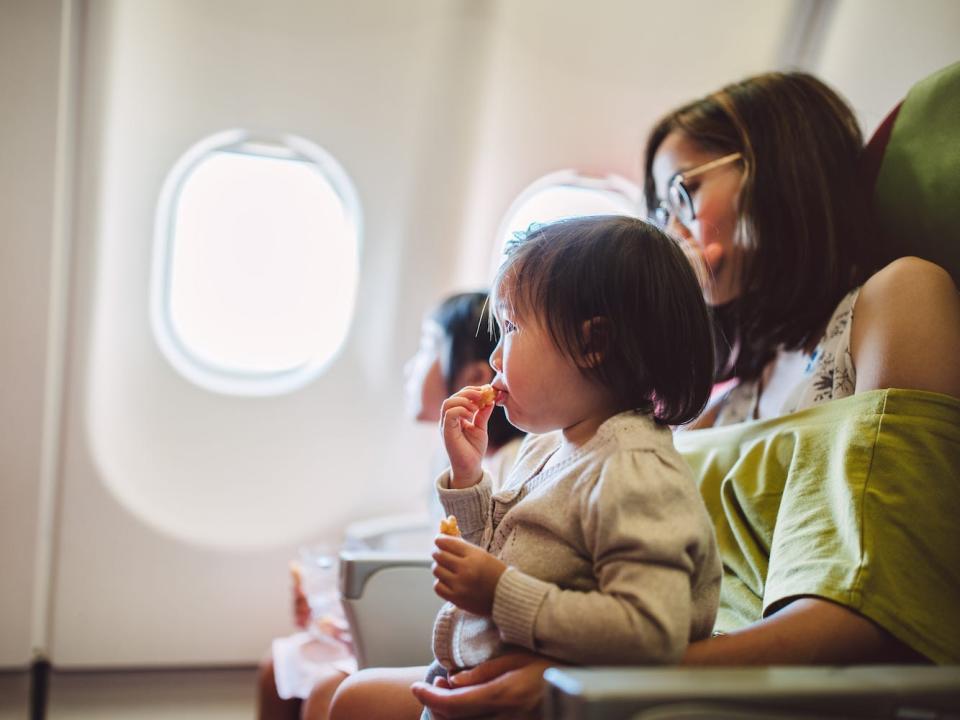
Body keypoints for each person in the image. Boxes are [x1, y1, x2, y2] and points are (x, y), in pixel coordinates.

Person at [336, 71, 960, 720]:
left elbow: (871, 604)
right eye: (658, 208)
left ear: (780, 168)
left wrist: (583, 677)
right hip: (638, 654)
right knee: (343, 695)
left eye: (683, 192)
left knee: (356, 703)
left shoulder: (899, 300)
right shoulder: (734, 389)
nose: (668, 227)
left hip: (736, 683)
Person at [329, 215, 724, 720]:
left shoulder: (634, 472)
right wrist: (470, 477)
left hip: (562, 707)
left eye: (511, 327)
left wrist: (498, 592)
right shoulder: (549, 447)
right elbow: (502, 545)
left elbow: (650, 632)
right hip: (487, 686)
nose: (494, 357)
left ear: (592, 345)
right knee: (347, 700)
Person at [257, 291, 526, 720]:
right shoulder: (454, 459)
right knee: (276, 668)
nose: (410, 365)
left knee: (329, 690)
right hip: (429, 617)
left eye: (426, 346)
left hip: (457, 631)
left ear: (474, 374)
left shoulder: (508, 467)